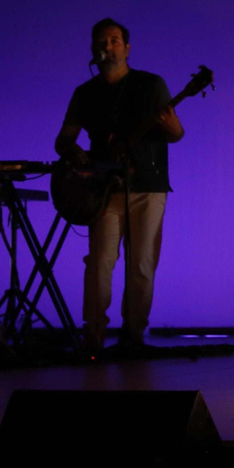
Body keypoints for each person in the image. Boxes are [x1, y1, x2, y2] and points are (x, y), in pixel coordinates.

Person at [54, 18, 184, 354]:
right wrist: (78, 153)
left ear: (127, 47)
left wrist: (171, 126)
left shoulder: (151, 85)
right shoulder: (85, 94)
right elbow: (64, 140)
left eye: (114, 41)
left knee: (141, 263)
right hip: (105, 187)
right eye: (102, 41)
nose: (108, 47)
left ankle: (133, 336)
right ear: (93, 49)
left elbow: (176, 134)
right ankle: (94, 334)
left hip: (149, 186)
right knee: (100, 261)